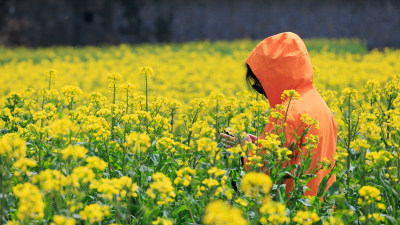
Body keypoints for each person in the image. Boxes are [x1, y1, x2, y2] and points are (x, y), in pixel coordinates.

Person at [220, 32, 338, 199]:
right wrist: (257, 144)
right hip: (319, 211)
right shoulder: (318, 102)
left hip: (292, 211)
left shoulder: (286, 114)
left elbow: (266, 175)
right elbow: (293, 154)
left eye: (260, 84)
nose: (262, 91)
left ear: (272, 77)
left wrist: (247, 151)